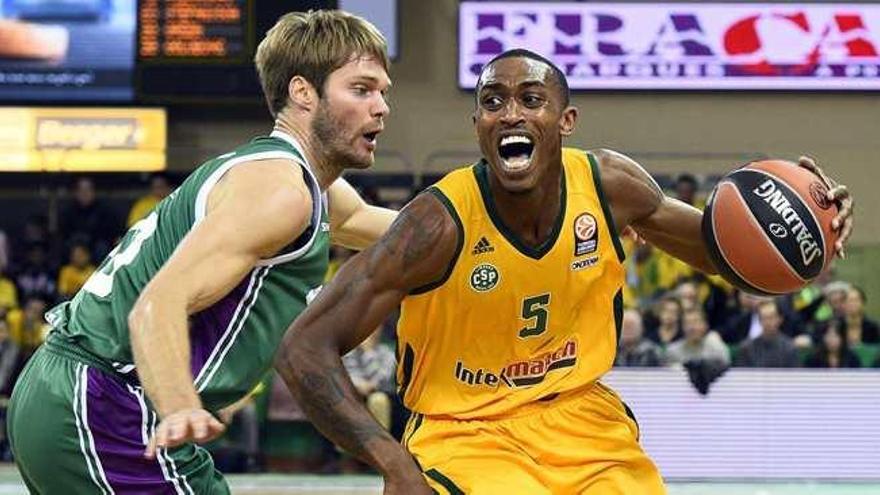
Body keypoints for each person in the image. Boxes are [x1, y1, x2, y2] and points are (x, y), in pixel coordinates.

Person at [277, 49, 853, 493]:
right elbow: (304, 347)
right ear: (477, 122)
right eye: (494, 102)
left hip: (581, 418)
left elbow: (725, 256)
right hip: (467, 432)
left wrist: (809, 236)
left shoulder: (609, 187)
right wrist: (391, 460)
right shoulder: (437, 223)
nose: (511, 113)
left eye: (531, 99)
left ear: (566, 119)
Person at [7, 10, 397, 494]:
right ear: (303, 93)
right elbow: (157, 304)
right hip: (106, 403)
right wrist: (179, 407)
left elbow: (377, 227)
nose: (381, 106)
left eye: (383, 92)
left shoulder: (296, 182)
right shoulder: (279, 192)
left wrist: (493, 227)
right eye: (361, 90)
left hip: (77, 395)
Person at [734, 300, 800, 368]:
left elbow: (794, 375)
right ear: (759, 320)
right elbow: (742, 374)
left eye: (771, 317)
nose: (768, 322)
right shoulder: (746, 348)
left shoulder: (789, 348)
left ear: (780, 319)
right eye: (764, 318)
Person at [665, 307, 730, 368]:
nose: (692, 327)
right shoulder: (672, 351)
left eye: (696, 322)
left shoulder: (717, 349)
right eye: (687, 323)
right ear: (682, 327)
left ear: (705, 325)